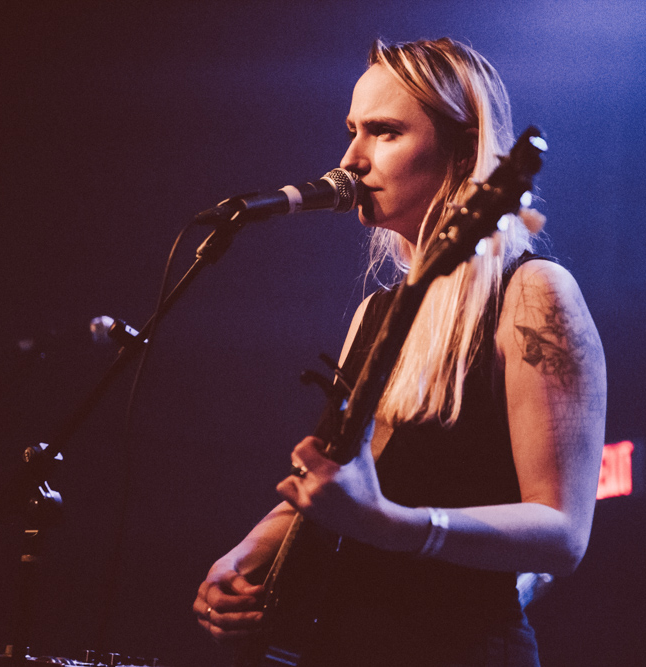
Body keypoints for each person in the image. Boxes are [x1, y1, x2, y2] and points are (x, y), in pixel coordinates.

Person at [193, 37, 606, 666]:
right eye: (353, 130)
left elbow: (562, 535)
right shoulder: (377, 314)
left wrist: (396, 527)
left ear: (462, 149)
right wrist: (247, 552)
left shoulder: (533, 294)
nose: (350, 159)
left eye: (384, 132)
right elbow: (341, 482)